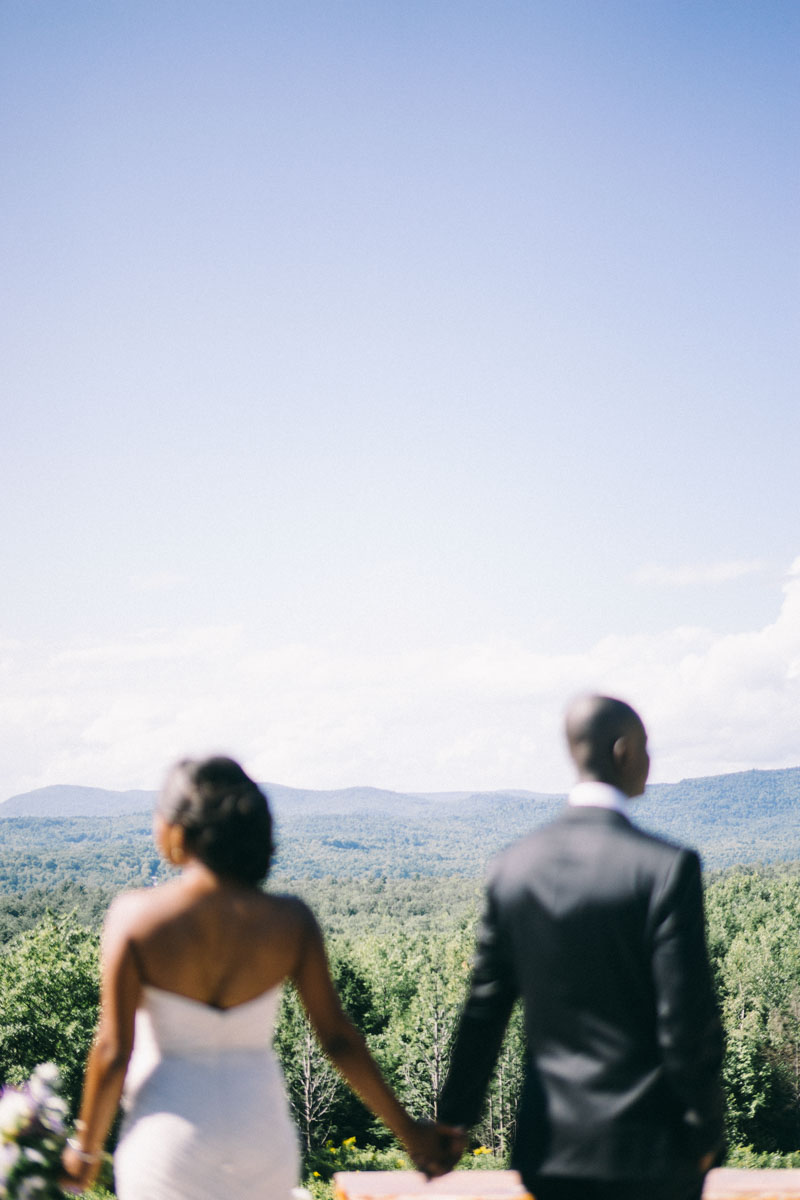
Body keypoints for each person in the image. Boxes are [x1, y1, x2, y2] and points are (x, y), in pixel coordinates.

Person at [62, 756, 450, 1198]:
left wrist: (85, 1151)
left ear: (178, 828)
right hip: (259, 1133)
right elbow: (339, 1040)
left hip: (167, 1133)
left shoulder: (135, 919)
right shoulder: (290, 921)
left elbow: (113, 1050)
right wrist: (410, 1134)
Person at [437, 694, 724, 1200]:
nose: (651, 762)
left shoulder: (513, 868)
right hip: (652, 1151)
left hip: (551, 1149)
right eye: (647, 748)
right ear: (623, 752)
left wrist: (452, 1121)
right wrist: (705, 1127)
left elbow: (484, 1011)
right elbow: (685, 1018)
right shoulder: (666, 867)